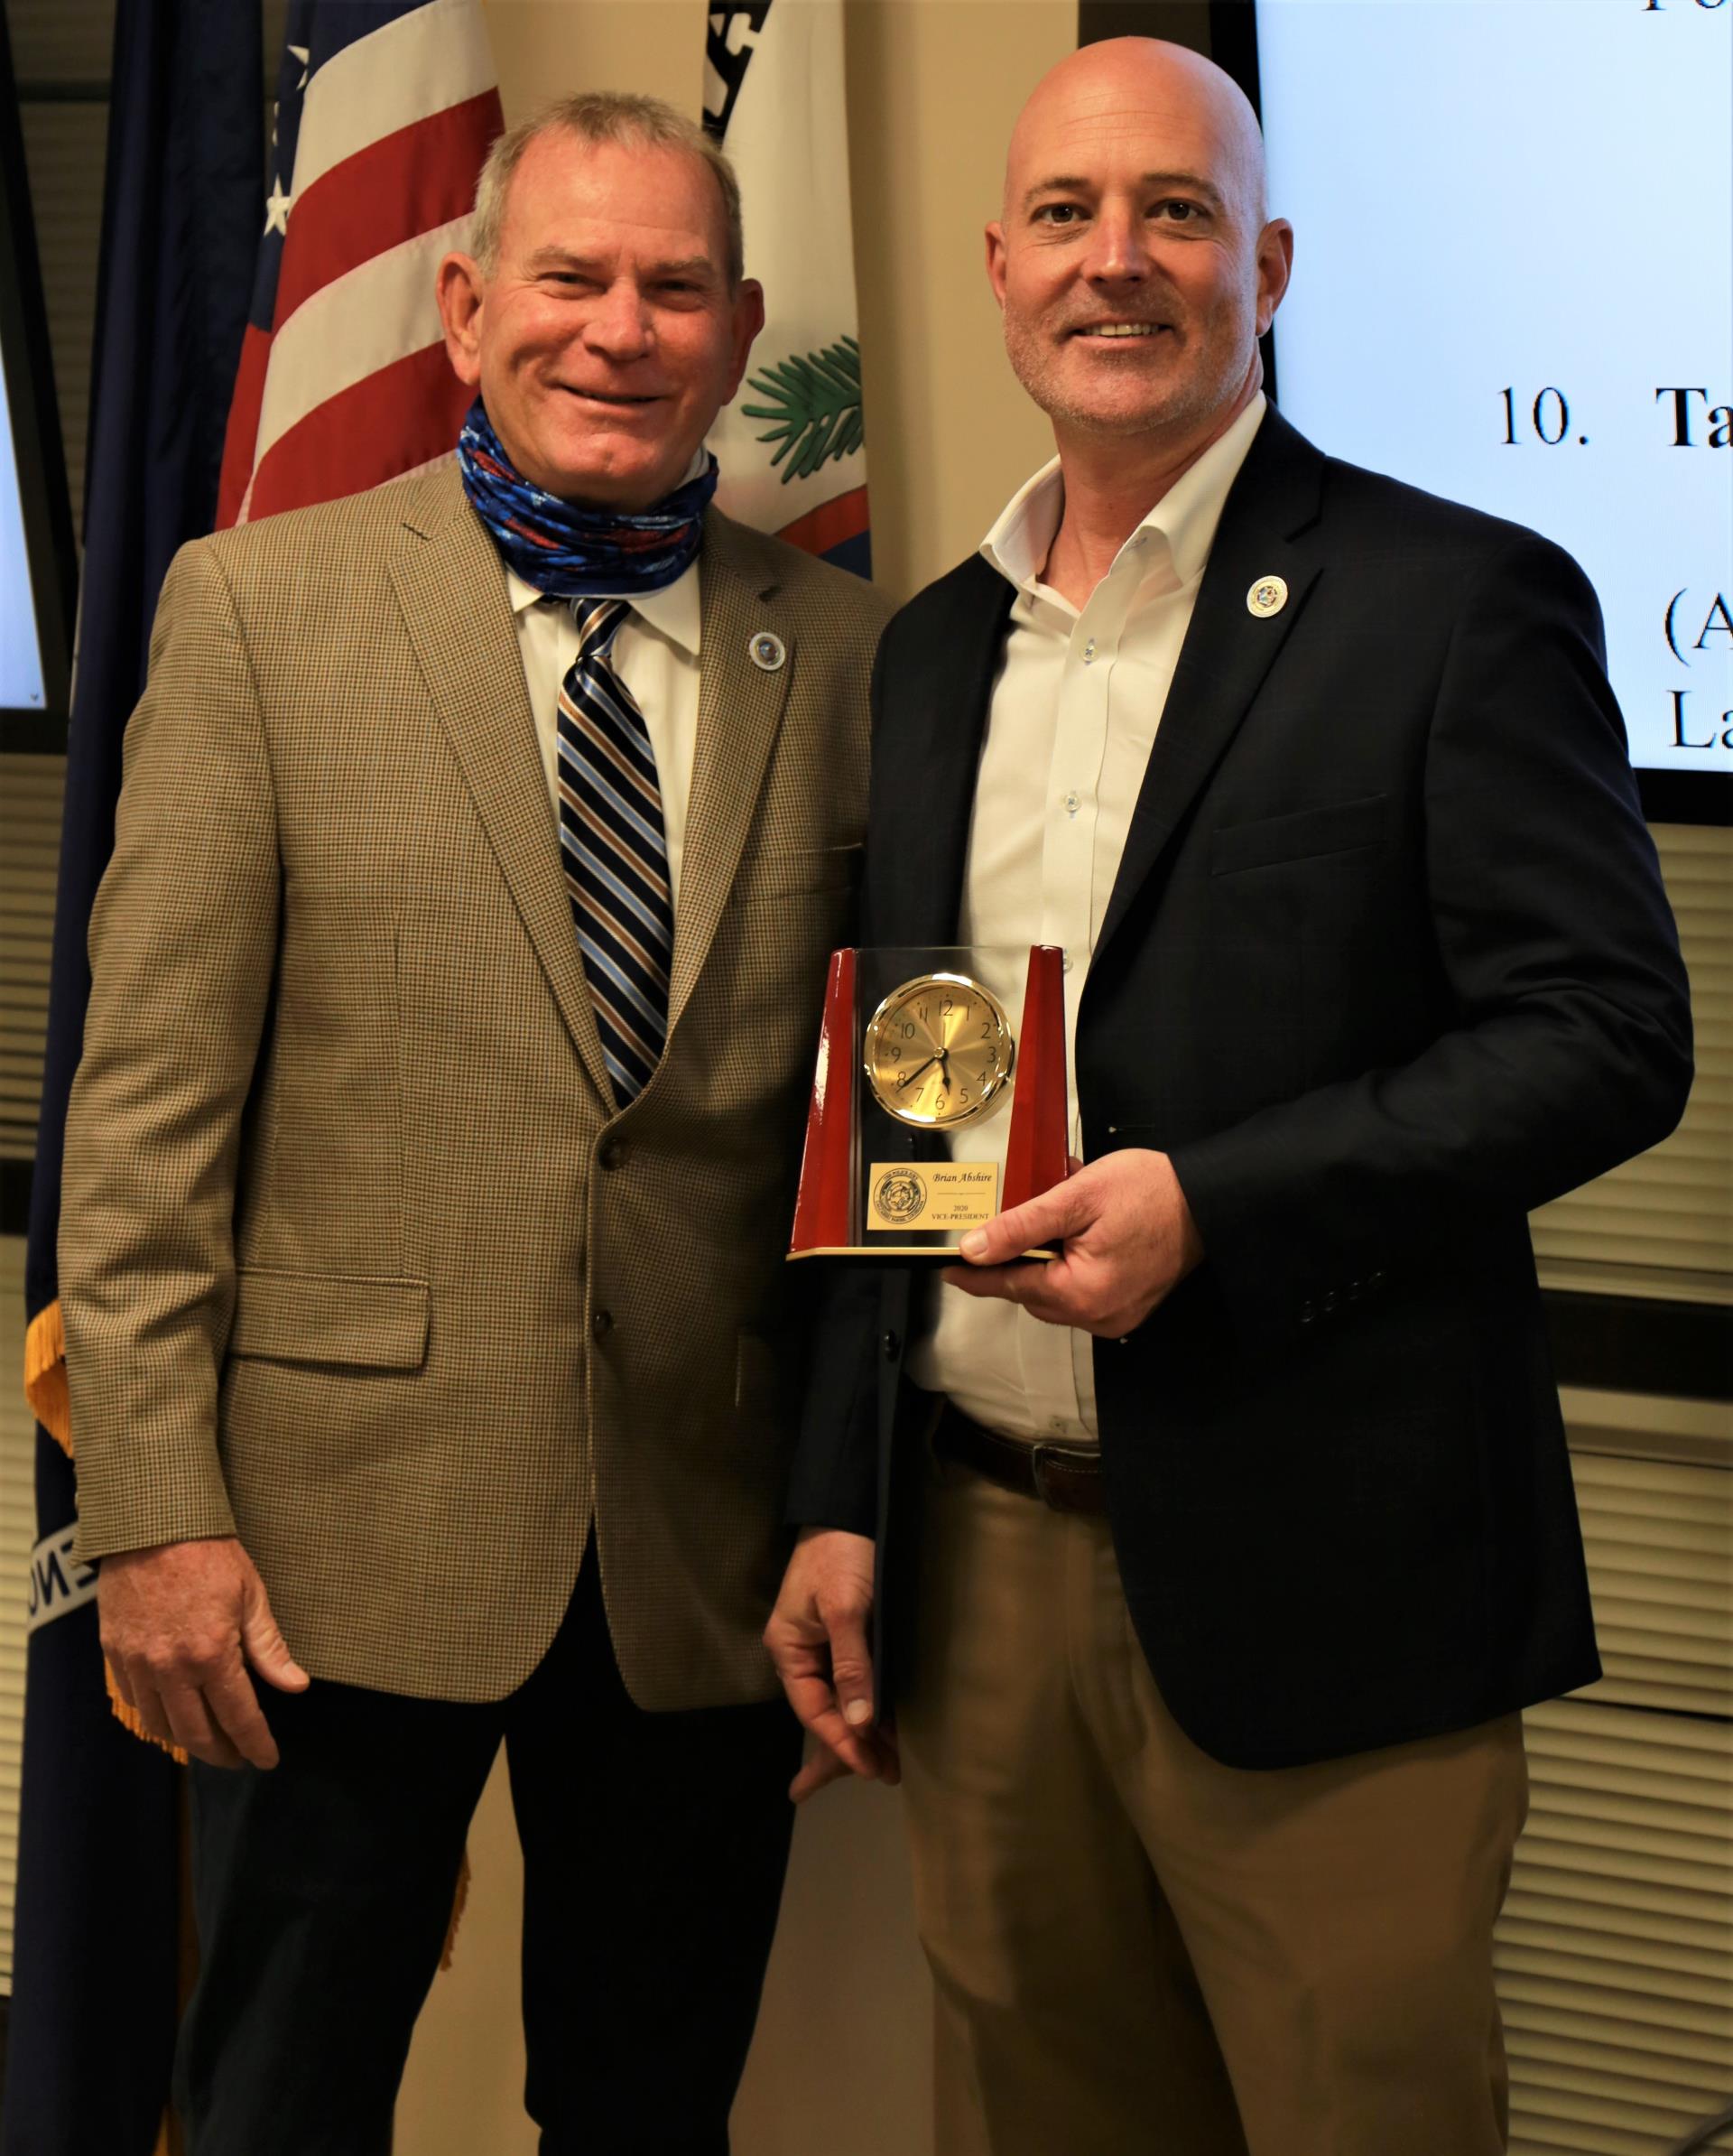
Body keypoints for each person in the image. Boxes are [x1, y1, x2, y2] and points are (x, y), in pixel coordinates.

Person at [766, 38, 1691, 2156]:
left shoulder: (1456, 600)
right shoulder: (924, 656)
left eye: (1177, 212)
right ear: (1001, 271)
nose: (1123, 263)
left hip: (1335, 1589)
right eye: (1072, 219)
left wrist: (1221, 1203)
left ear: (1265, 262)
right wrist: (840, 1493)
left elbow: (1609, 1032)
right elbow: (907, 1095)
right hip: (979, 1573)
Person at [60, 92, 891, 2156]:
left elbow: (881, 1127)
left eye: (674, 286)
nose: (621, 329)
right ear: (460, 303)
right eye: (571, 277)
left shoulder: (864, 655)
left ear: (740, 322)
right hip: (326, 1548)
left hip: (702, 1553)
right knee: (275, 2104)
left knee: (648, 2111)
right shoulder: (261, 613)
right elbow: (149, 1110)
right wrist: (156, 1513)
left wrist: (854, 1498)